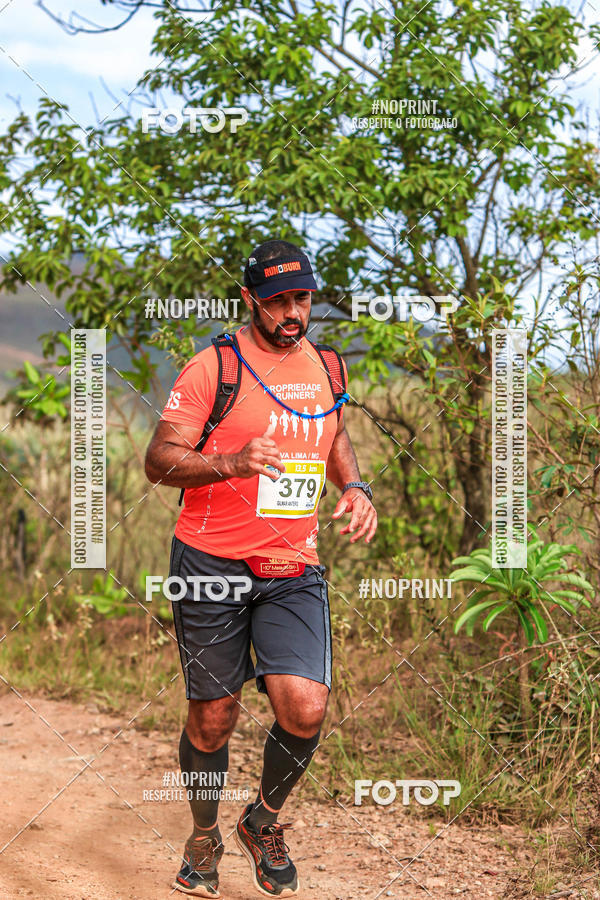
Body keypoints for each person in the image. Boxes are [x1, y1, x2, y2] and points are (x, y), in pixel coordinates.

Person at [145, 239, 377, 898]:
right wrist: (232, 462)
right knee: (212, 719)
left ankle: (262, 822)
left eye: (301, 298)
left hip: (291, 567)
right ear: (250, 300)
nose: (291, 312)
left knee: (305, 707)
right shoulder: (213, 367)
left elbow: (333, 433)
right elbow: (158, 461)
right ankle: (201, 834)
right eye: (277, 301)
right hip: (210, 562)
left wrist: (355, 488)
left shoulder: (326, 367)